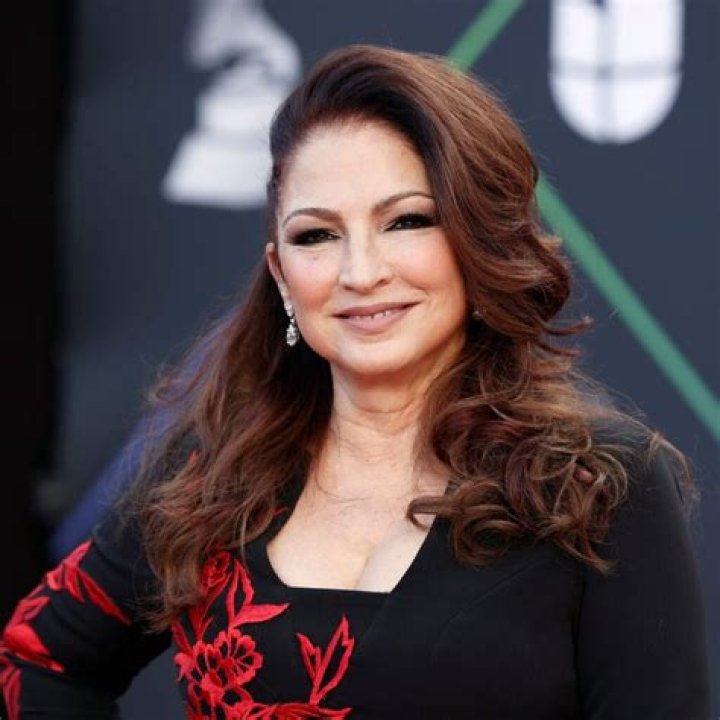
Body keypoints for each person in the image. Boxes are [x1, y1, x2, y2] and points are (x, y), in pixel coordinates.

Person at [0, 44, 710, 719]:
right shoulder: (210, 477)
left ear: (476, 239)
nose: (361, 272)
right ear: (281, 274)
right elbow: (41, 658)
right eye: (317, 234)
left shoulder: (594, 486)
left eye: (407, 221)